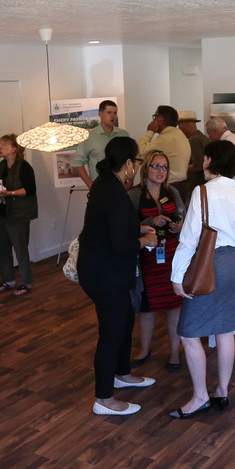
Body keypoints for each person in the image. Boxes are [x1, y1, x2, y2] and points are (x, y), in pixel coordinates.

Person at [169, 139, 235, 418]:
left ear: (210, 162)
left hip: (210, 263)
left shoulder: (203, 192)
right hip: (233, 263)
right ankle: (222, 391)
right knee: (225, 329)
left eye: (205, 159)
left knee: (189, 333)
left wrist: (177, 276)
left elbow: (189, 238)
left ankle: (200, 396)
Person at [76, 137, 159, 416]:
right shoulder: (111, 191)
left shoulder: (109, 185)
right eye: (138, 160)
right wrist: (144, 242)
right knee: (111, 331)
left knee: (124, 320)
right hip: (103, 272)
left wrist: (141, 231)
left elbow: (121, 228)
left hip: (109, 268)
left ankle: (122, 373)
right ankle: (104, 398)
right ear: (127, 163)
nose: (138, 166)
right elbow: (118, 243)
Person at [130, 150, 185, 371]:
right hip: (146, 256)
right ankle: (144, 349)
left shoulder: (172, 192)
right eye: (156, 166)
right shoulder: (134, 195)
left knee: (174, 305)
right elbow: (127, 225)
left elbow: (183, 215)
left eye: (164, 167)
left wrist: (178, 226)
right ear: (145, 168)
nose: (161, 171)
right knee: (147, 306)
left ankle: (174, 352)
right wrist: (151, 220)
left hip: (171, 253)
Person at [0, 133, 38, 296]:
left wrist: (9, 192)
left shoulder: (24, 166)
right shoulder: (1, 166)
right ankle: (9, 279)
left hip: (19, 214)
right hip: (3, 213)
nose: (1, 148)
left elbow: (30, 189)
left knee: (20, 248)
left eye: (5, 145)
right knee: (3, 247)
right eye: (1, 144)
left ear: (14, 148)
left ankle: (26, 282)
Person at [73, 100, 129, 189]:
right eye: (109, 112)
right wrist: (90, 185)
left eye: (115, 113)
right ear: (100, 114)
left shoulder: (124, 135)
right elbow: (78, 163)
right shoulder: (89, 136)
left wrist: (130, 181)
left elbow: (131, 160)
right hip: (100, 186)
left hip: (121, 186)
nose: (112, 116)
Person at [136, 105, 191, 185]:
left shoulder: (166, 138)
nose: (153, 120)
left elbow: (140, 154)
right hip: (180, 183)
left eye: (155, 117)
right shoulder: (179, 134)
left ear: (160, 119)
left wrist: (150, 132)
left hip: (169, 185)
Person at [205, 116, 235, 202]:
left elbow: (223, 165)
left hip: (234, 184)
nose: (209, 138)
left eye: (209, 134)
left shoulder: (226, 144)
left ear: (215, 131)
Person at [178, 111, 211, 189]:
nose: (179, 130)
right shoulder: (202, 137)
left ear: (187, 125)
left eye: (180, 126)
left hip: (196, 182)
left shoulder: (194, 140)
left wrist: (180, 170)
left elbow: (198, 166)